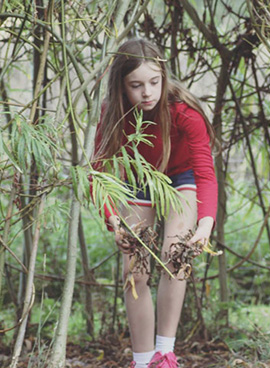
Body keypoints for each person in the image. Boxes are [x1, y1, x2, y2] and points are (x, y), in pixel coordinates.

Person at [92, 38, 218, 368]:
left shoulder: (184, 112)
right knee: (135, 271)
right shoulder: (112, 114)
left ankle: (165, 354)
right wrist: (113, 220)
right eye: (136, 85)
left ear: (164, 76)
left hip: (179, 177)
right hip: (137, 178)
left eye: (154, 82)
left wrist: (204, 225)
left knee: (175, 254)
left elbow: (205, 174)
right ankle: (142, 359)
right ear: (121, 85)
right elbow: (98, 172)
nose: (147, 92)